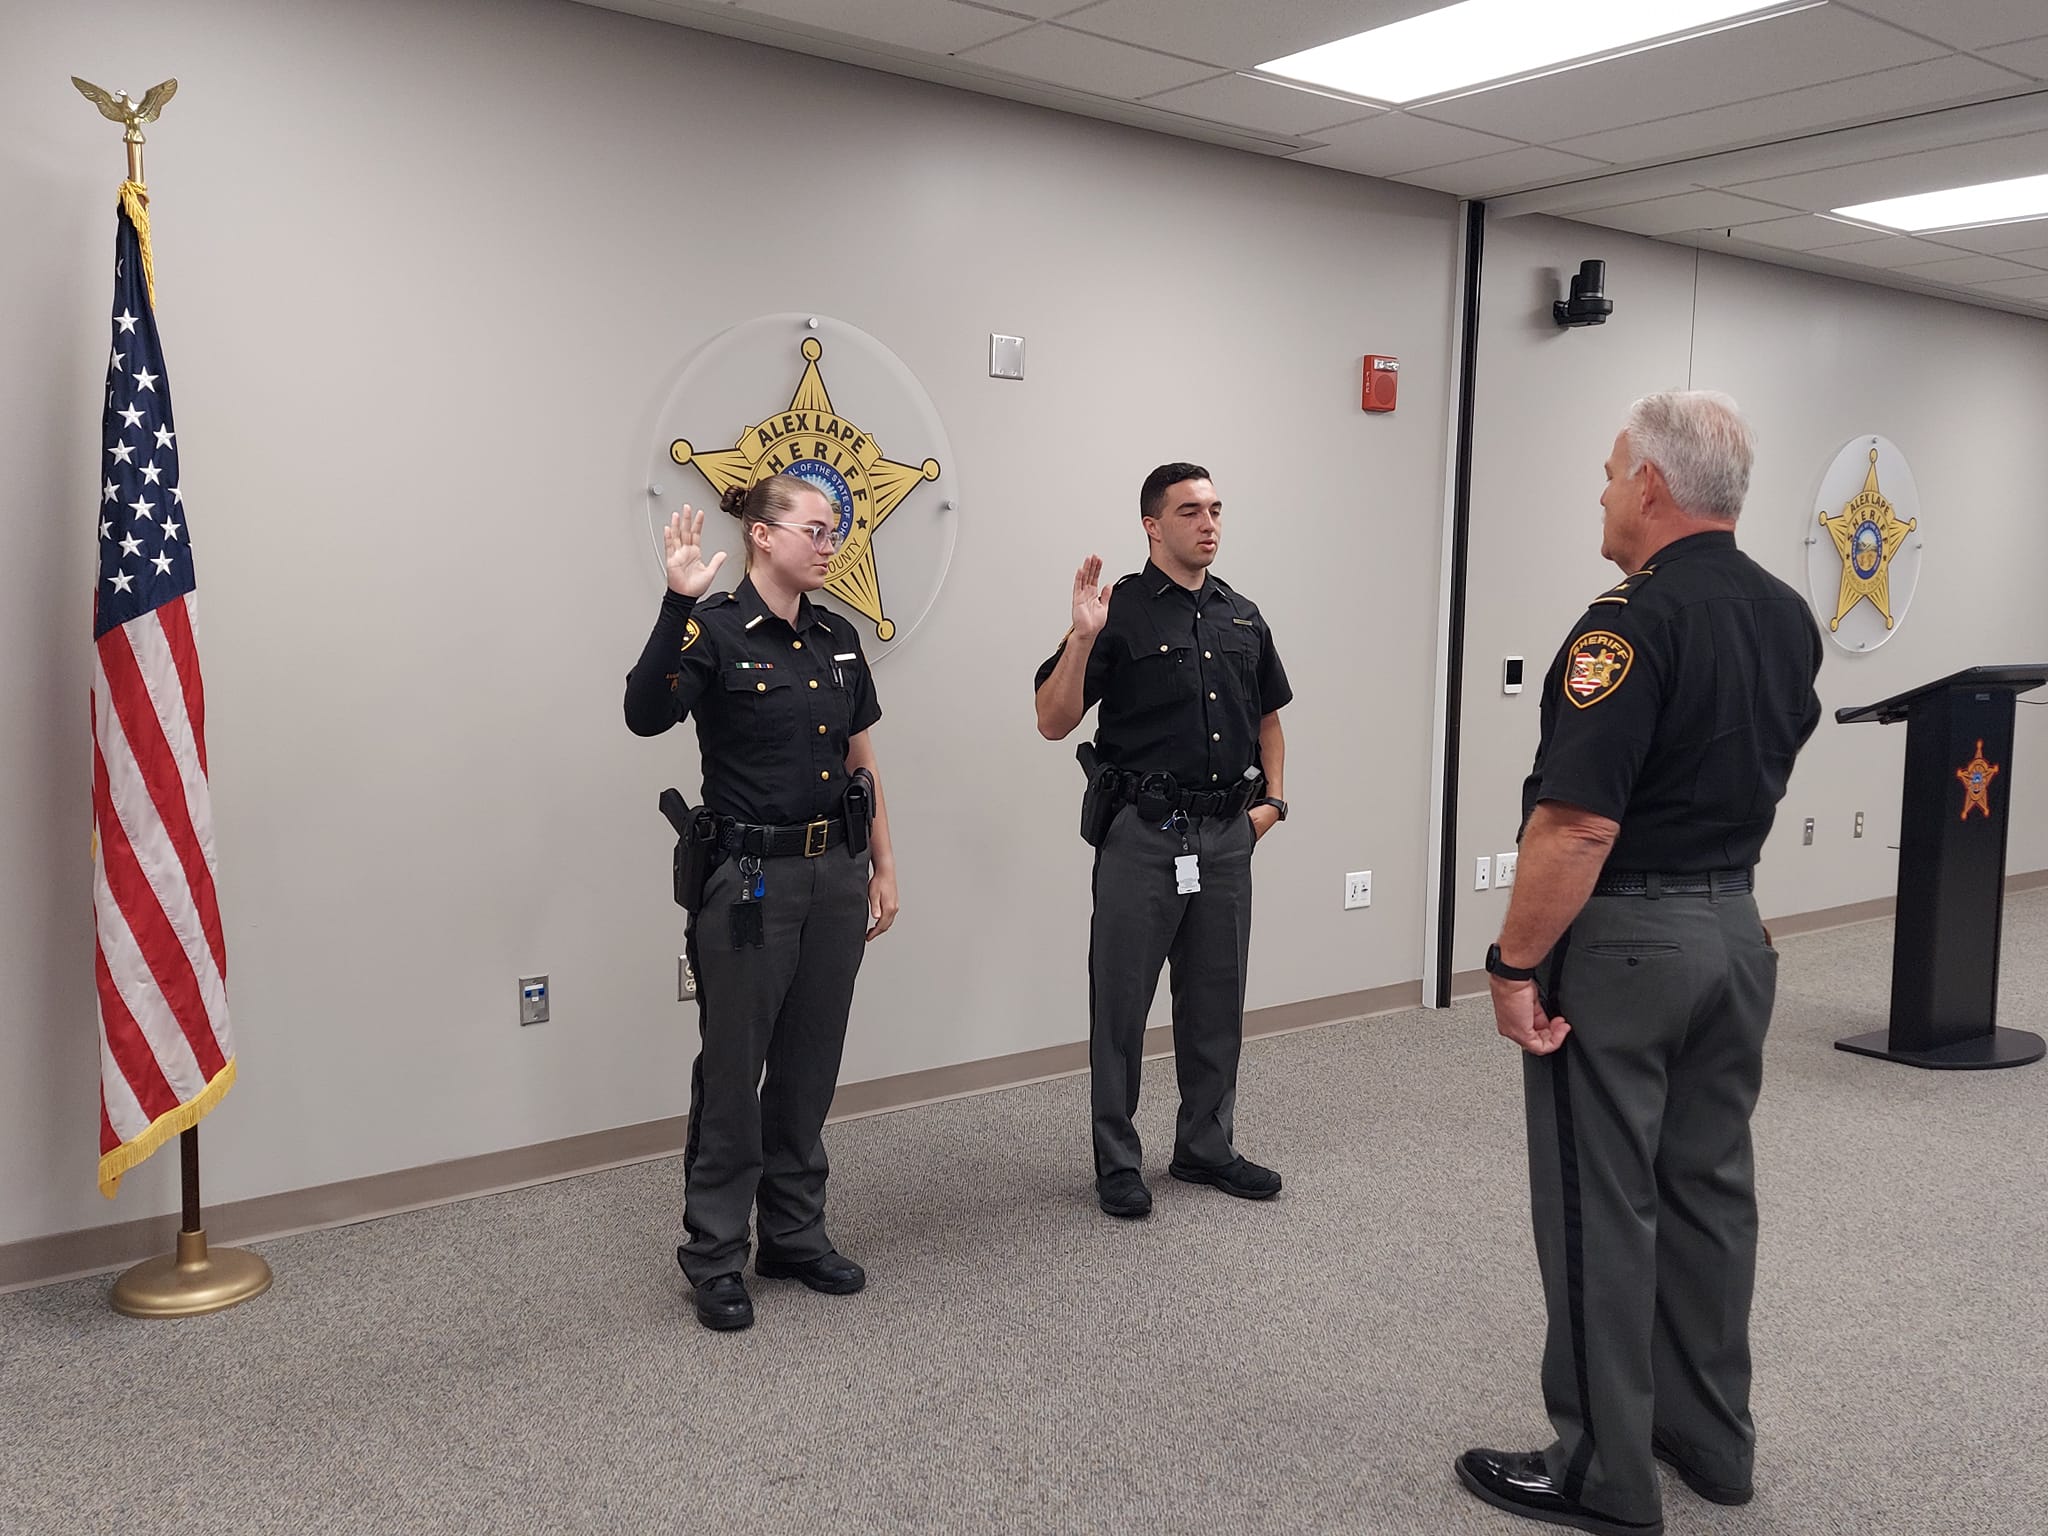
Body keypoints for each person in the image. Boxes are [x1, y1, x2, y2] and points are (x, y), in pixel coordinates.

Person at [1458, 392, 1824, 1535]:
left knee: (1596, 1202)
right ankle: (1710, 1442)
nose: (1604, 491)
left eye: (1612, 473)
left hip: (1625, 943)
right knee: (1709, 1192)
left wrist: (1513, 966)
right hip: (1733, 933)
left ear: (1653, 488)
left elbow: (1575, 826)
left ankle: (1599, 1474)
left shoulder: (1626, 624)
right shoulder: (1781, 613)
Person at [623, 474, 899, 1332]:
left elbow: (863, 760)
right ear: (764, 538)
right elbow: (642, 714)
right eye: (816, 531)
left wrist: (884, 863)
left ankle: (792, 1232)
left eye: (835, 533)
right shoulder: (711, 630)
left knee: (810, 1066)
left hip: (834, 875)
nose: (830, 545)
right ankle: (713, 1254)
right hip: (749, 883)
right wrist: (676, 604)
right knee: (735, 1073)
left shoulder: (838, 637)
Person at [1033, 462, 1293, 1220]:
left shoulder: (1242, 615)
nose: (1208, 523)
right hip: (1142, 838)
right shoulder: (1116, 612)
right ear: (1153, 525)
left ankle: (1206, 1147)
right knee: (1120, 1007)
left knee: (1216, 1001)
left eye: (1215, 509)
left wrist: (1272, 804)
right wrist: (1082, 641)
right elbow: (1052, 719)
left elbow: (1270, 716)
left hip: (1225, 836)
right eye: (1189, 511)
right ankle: (1117, 1161)